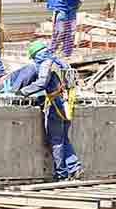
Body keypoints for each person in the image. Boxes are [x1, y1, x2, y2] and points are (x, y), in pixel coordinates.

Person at [12, 38, 81, 181]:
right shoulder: (60, 62)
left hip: (55, 106)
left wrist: (23, 92)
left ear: (37, 54)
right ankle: (74, 167)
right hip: (67, 104)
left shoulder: (46, 64)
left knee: (56, 141)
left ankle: (61, 174)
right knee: (63, 138)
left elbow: (42, 83)